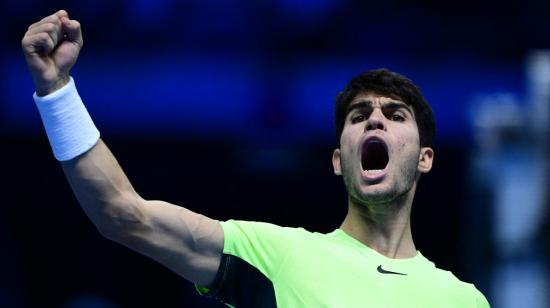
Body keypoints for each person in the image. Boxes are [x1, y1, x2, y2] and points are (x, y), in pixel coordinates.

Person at [21, 10, 490, 307]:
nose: (374, 122)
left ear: (425, 158)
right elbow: (124, 215)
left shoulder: (462, 300)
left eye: (395, 115)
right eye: (359, 116)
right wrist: (56, 91)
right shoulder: (276, 254)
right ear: (337, 160)